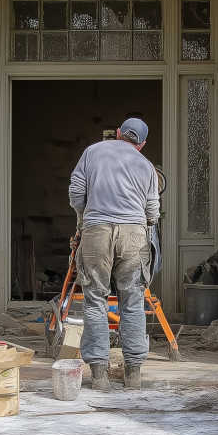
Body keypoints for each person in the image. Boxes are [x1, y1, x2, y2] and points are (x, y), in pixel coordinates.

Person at [68, 117, 160, 391]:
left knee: (95, 300)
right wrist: (145, 224)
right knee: (132, 301)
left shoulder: (93, 152)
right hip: (133, 234)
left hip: (97, 231)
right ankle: (133, 374)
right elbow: (153, 210)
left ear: (118, 133)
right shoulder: (146, 166)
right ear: (141, 144)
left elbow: (76, 193)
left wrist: (85, 217)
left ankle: (99, 375)